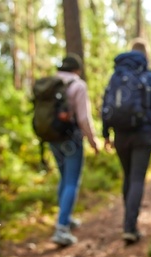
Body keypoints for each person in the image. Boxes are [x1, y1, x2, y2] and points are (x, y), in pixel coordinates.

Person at [102, 38, 151, 245]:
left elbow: (107, 105)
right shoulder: (150, 77)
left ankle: (129, 223)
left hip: (120, 135)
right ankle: (130, 227)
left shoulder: (116, 76)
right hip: (143, 134)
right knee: (137, 179)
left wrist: (106, 134)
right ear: (146, 55)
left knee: (128, 177)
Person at [50, 53, 99, 246]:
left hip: (53, 139)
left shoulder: (51, 82)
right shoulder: (78, 85)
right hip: (71, 139)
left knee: (64, 178)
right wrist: (93, 141)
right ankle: (61, 228)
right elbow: (83, 118)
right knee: (72, 181)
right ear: (76, 70)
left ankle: (65, 217)